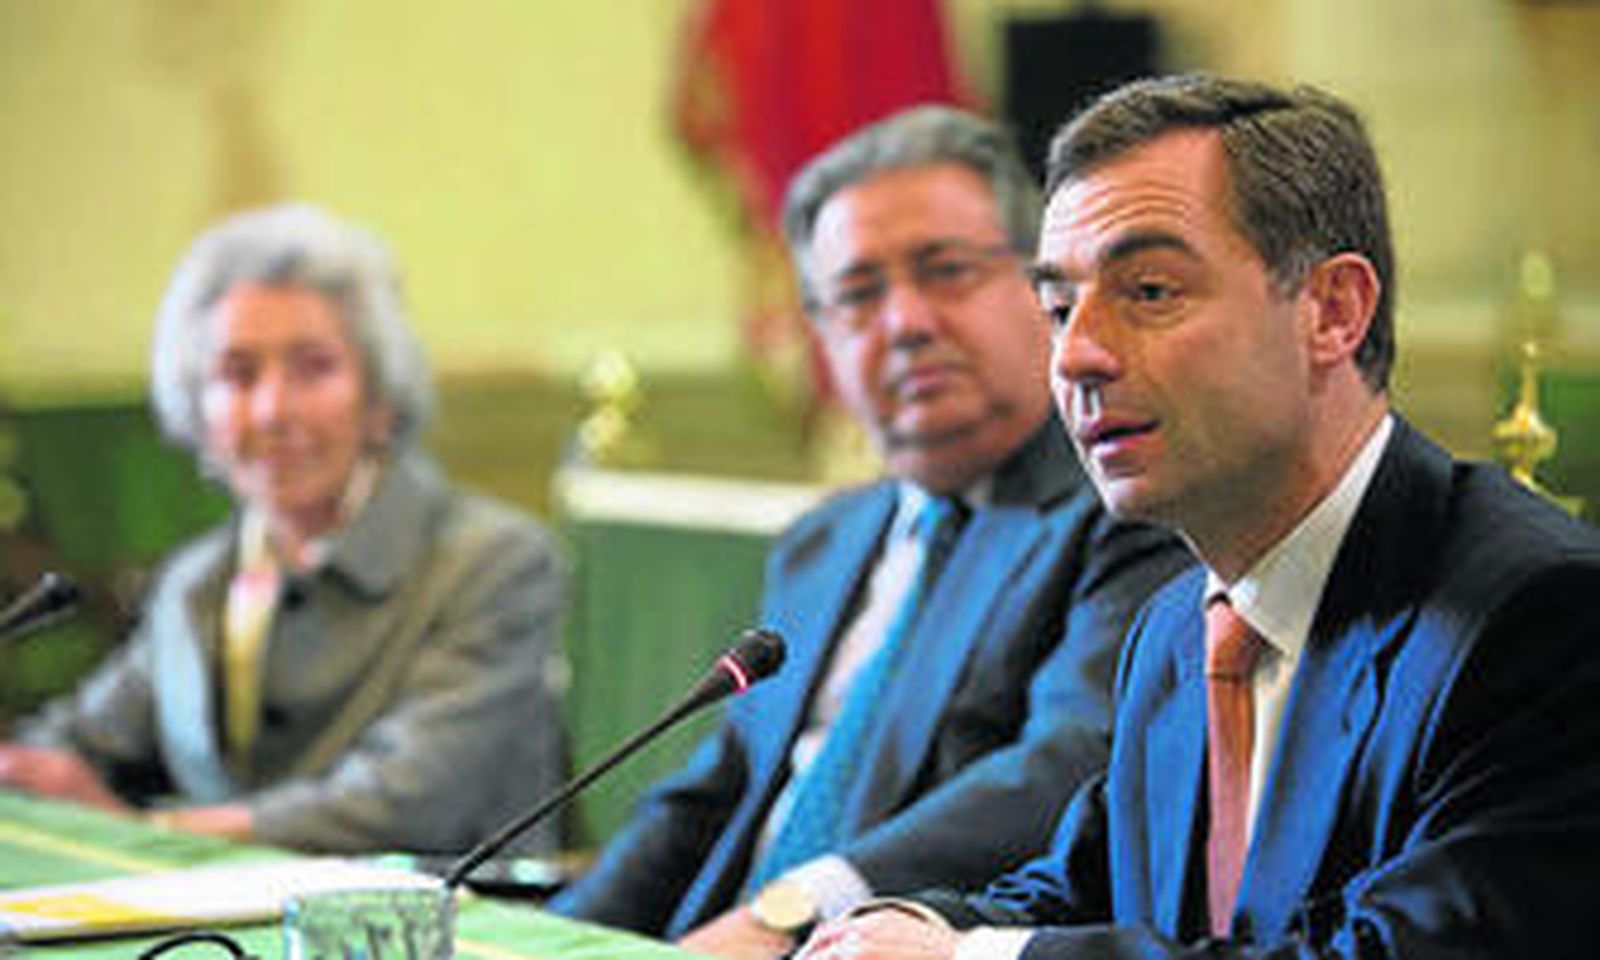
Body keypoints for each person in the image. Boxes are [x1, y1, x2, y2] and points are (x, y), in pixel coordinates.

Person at [796, 74, 1600, 960]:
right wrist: (911, 926)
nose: (1076, 356)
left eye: (1148, 292)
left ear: (1333, 311)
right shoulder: (1178, 626)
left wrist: (974, 958)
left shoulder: (1541, 618)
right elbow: (1080, 885)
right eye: (1058, 309)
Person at [549, 107, 1189, 958]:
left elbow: (1071, 766)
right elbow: (710, 800)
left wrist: (794, 908)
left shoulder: (1125, 510)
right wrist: (549, 944)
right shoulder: (824, 543)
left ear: (1044, 291)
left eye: (946, 272)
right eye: (858, 295)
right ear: (820, 335)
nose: (906, 322)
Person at [0, 203, 570, 856]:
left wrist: (146, 835)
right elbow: (79, 744)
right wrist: (26, 769)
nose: (272, 410)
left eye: (313, 368)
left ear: (380, 398)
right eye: (238, 374)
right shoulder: (197, 580)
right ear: (197, 408)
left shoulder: (495, 562)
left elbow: (405, 805)